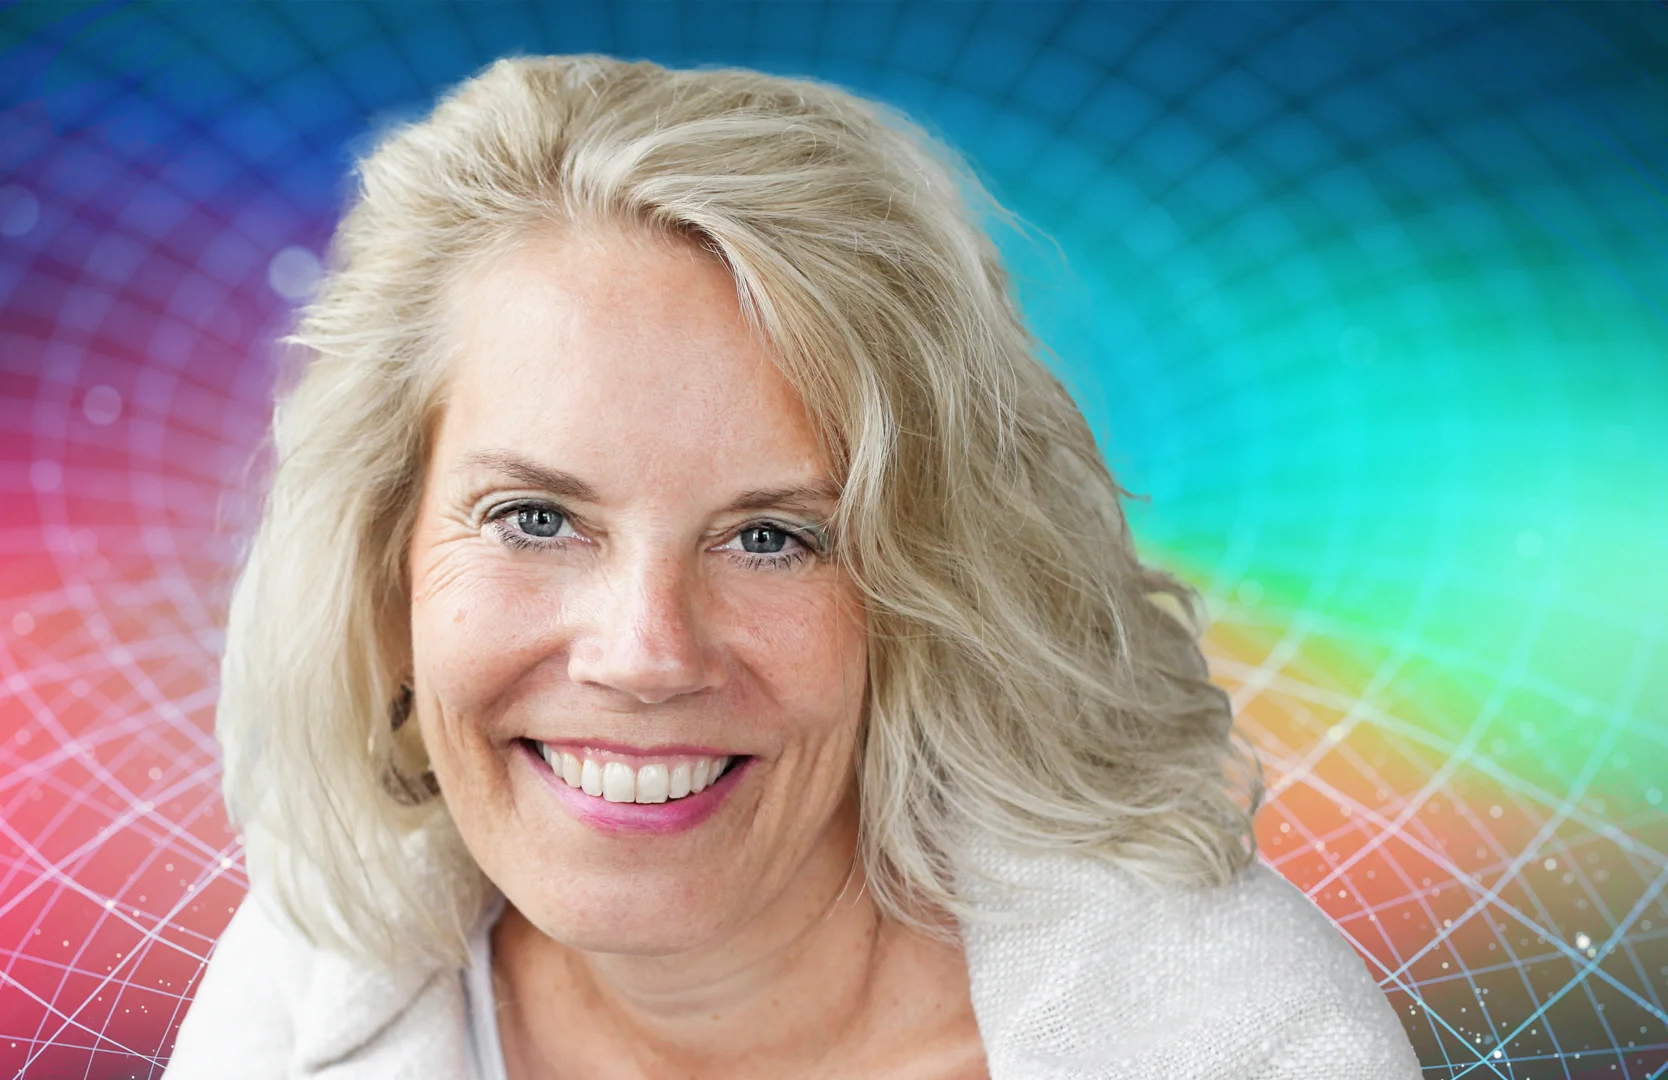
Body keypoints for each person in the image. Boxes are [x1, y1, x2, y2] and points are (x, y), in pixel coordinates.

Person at [166, 55, 1422, 1080]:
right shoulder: (290, 994)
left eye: (772, 537)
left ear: (932, 597)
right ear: (384, 568)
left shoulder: (1243, 1042)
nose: (646, 654)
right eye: (535, 518)